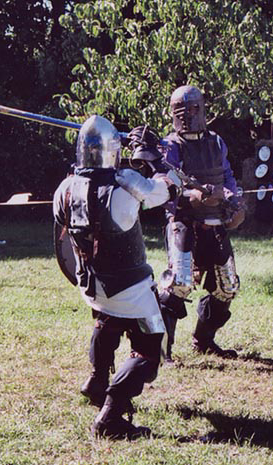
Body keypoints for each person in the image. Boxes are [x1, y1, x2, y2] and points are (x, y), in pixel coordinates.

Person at [53, 115, 177, 439]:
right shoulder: (125, 185)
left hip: (92, 286)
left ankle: (96, 381)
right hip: (130, 289)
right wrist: (154, 157)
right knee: (151, 350)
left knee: (107, 319)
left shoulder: (64, 189)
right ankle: (110, 416)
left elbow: (63, 238)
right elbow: (167, 190)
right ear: (114, 151)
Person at [157, 85, 245, 362]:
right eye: (181, 111)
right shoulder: (169, 145)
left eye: (194, 109)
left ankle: (204, 340)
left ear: (203, 109)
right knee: (179, 284)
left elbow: (227, 176)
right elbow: (163, 183)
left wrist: (232, 199)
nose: (188, 116)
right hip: (183, 220)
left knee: (227, 286)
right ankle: (160, 350)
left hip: (215, 221)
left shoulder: (217, 142)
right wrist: (188, 196)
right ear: (172, 113)